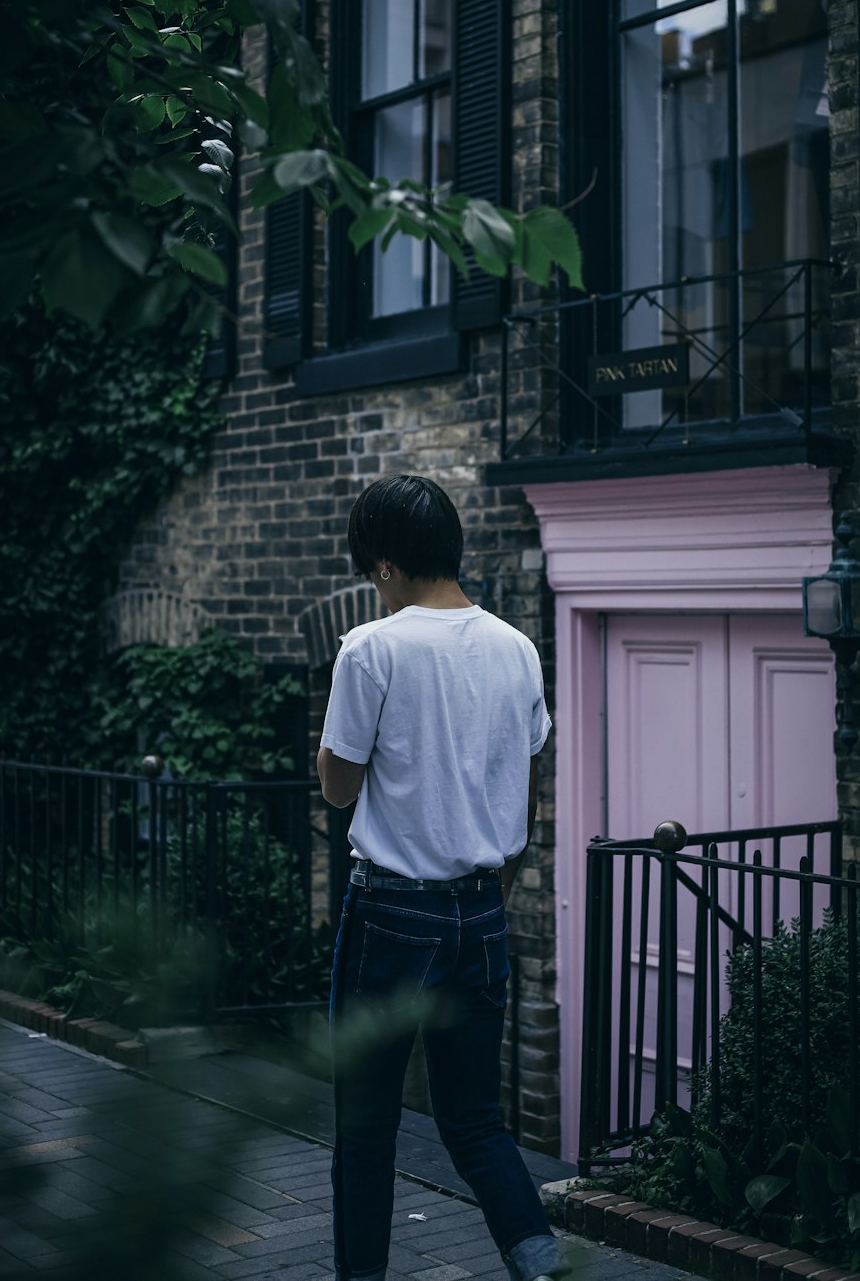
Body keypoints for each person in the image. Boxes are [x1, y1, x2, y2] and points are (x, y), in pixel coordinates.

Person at [318, 474, 561, 1281]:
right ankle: (544, 1264)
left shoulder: (371, 648)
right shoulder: (517, 647)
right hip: (481, 912)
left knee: (365, 1124)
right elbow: (526, 794)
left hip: (391, 916)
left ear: (385, 567)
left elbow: (338, 787)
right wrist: (489, 887)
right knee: (476, 1123)